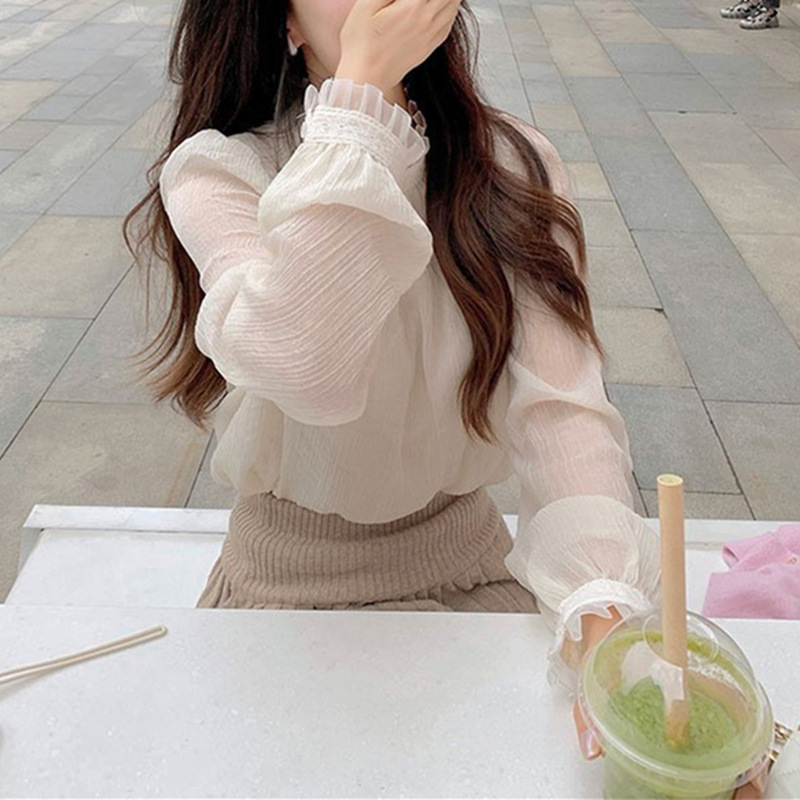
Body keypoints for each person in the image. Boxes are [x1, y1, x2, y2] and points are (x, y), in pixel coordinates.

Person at [124, 0, 762, 792]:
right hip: (286, 595)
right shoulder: (220, 169)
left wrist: (601, 614)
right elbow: (307, 366)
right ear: (283, 21)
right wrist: (364, 97)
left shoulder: (512, 165)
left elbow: (562, 414)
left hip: (474, 573)